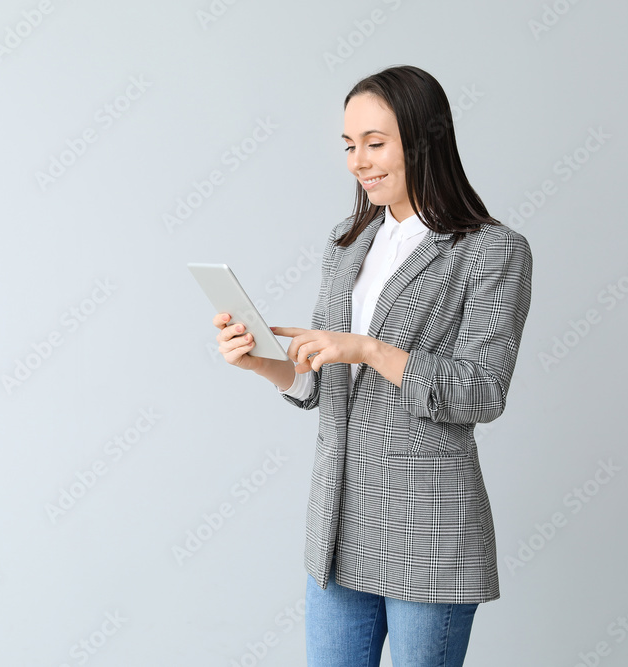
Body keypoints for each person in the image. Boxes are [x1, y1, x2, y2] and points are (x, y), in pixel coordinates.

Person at [210, 65, 533, 666]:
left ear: (425, 140)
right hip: (338, 521)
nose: (359, 161)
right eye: (349, 145)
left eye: (376, 143)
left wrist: (368, 348)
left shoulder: (492, 249)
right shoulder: (347, 241)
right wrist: (264, 363)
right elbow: (322, 385)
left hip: (428, 525)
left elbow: (482, 393)